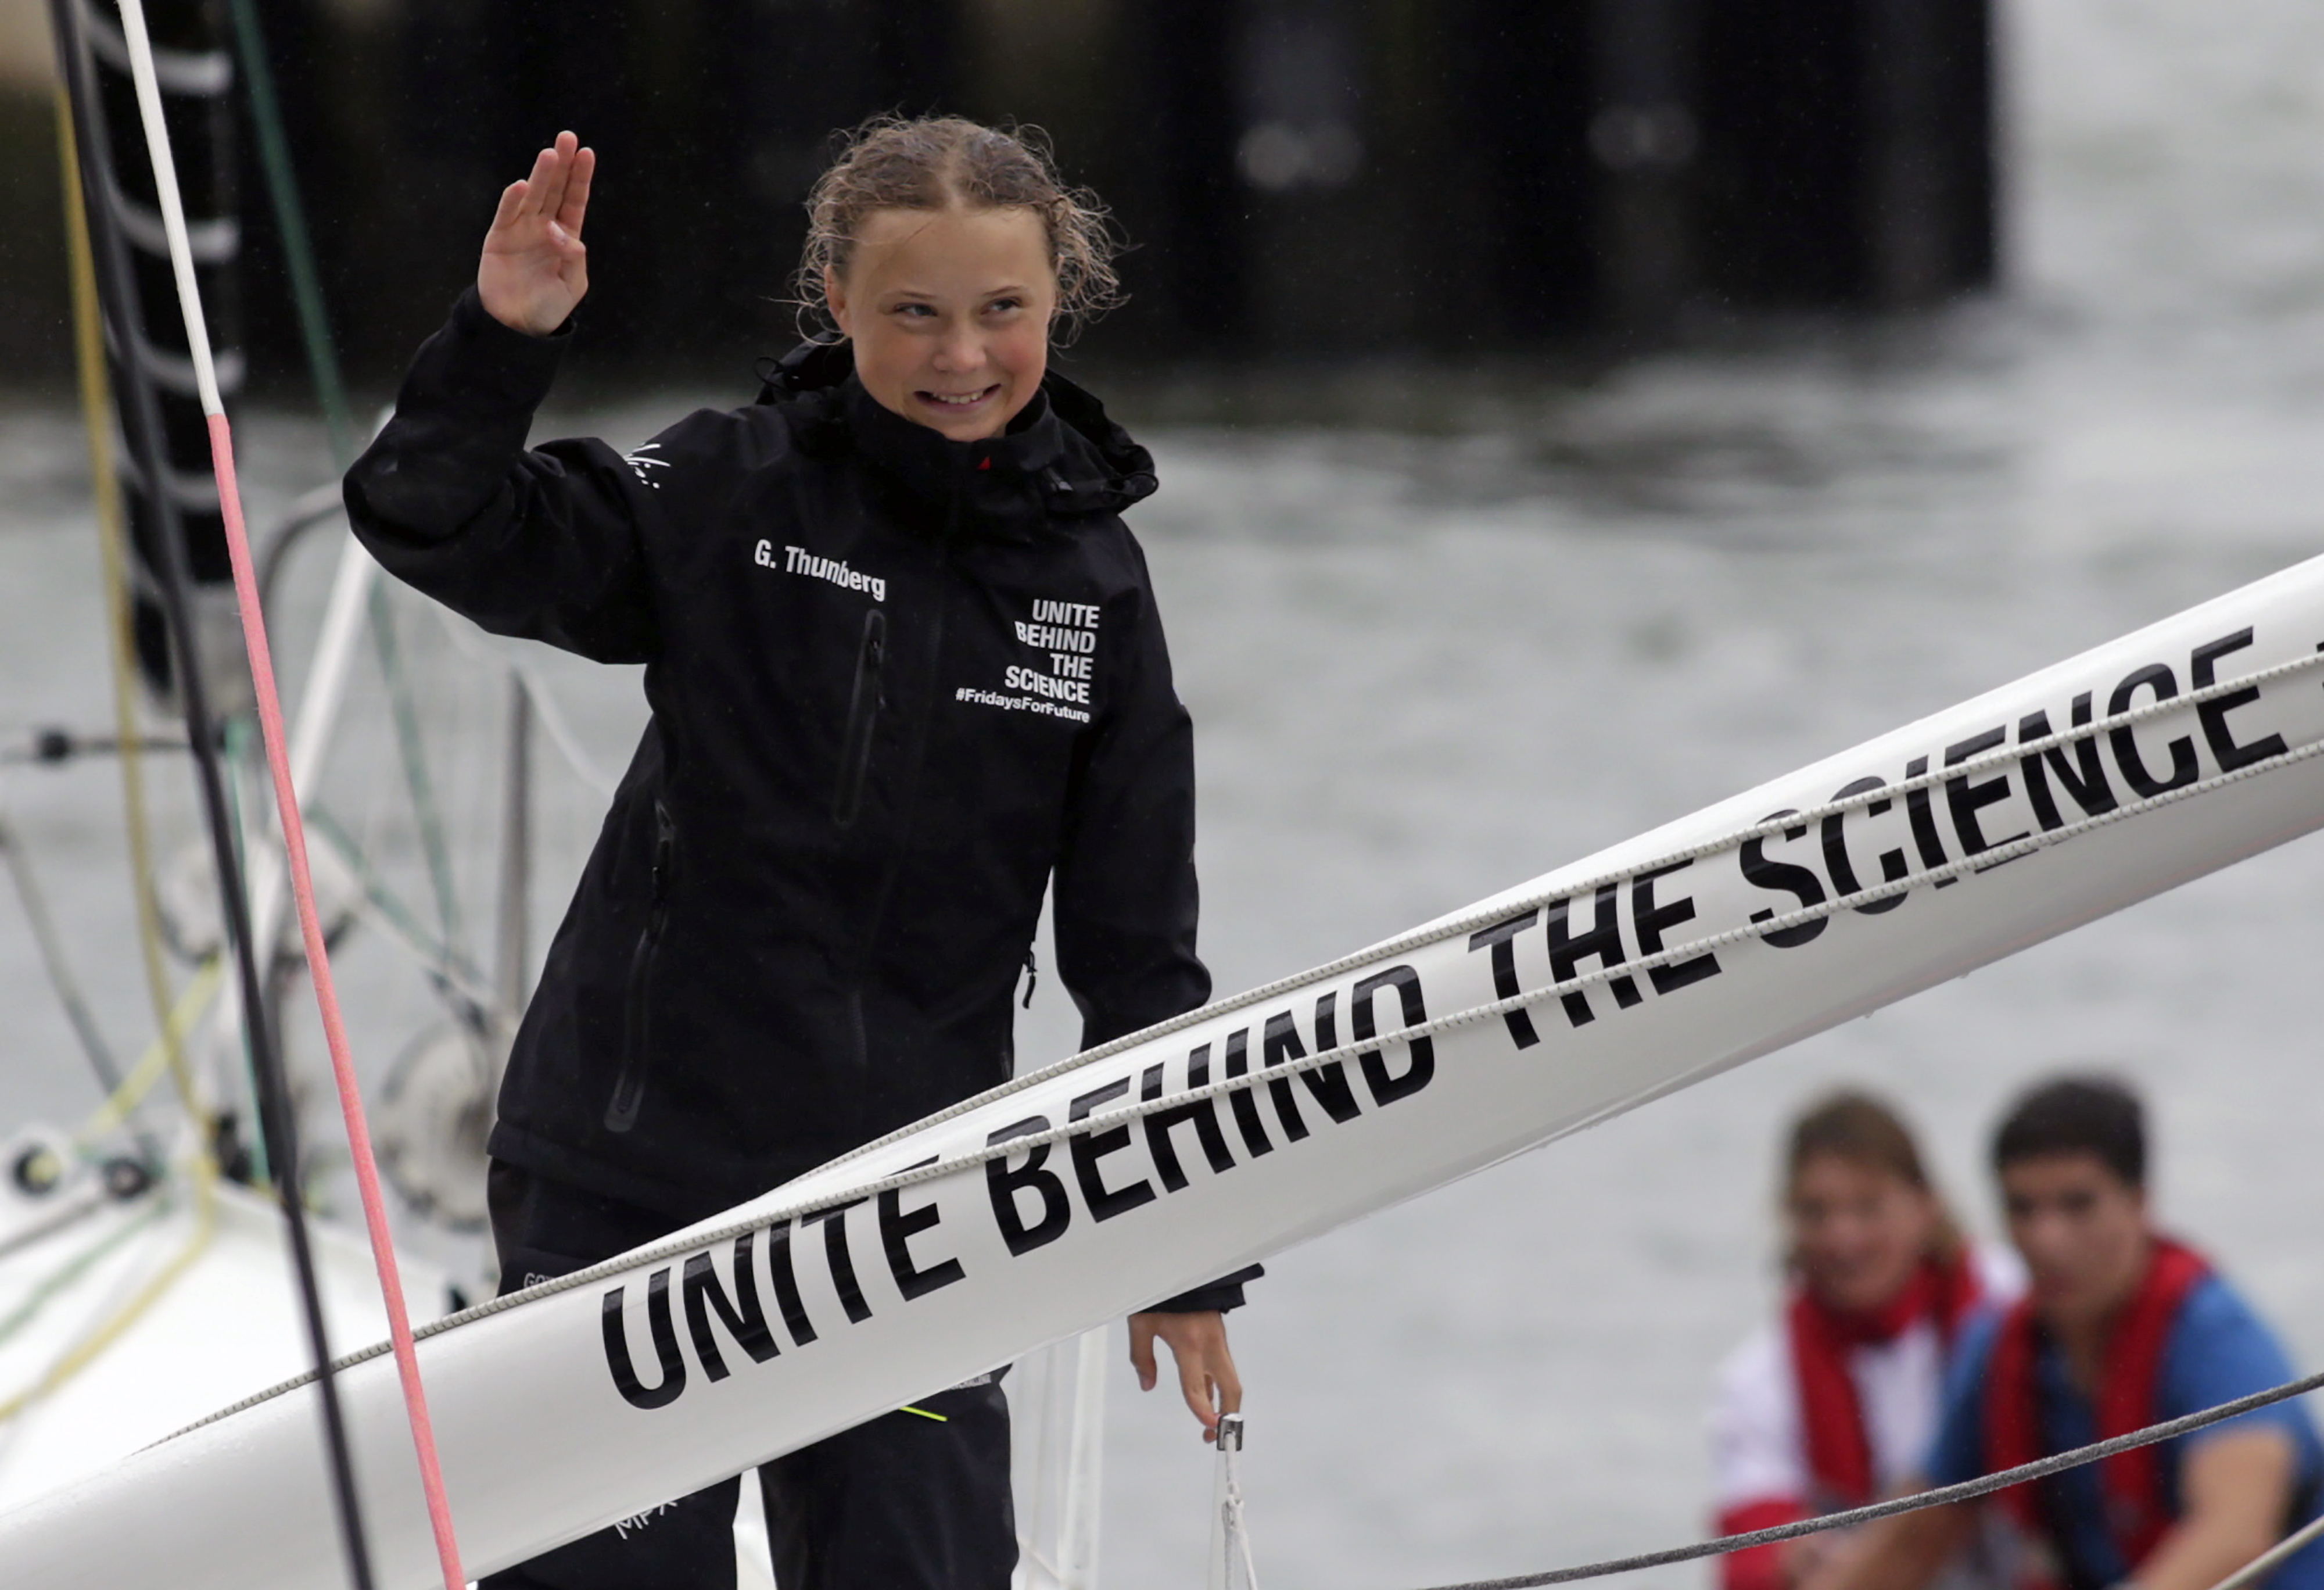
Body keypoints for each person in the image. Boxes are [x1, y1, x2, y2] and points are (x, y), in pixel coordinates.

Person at [345, 117, 1258, 1590]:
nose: (962, 353)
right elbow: (430, 515)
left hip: (908, 1209)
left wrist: (1184, 1255)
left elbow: (1137, 950)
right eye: (914, 311)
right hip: (630, 1183)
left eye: (1001, 310)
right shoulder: (730, 488)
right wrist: (503, 334)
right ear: (835, 301)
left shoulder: (1096, 582)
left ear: (1055, 306)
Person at [1803, 1077, 2324, 1590]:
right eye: (2022, 1209)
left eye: (2078, 1205)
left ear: (2140, 1202)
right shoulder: (1998, 1347)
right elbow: (1913, 1541)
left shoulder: (2216, 1337)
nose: (2046, 1239)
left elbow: (2235, 1536)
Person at [1712, 1091, 2022, 1590]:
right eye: (1816, 1213)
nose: (1842, 1238)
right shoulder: (1757, 1379)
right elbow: (1748, 1554)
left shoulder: (2010, 1301)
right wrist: (1789, 1561)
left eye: (1868, 1207)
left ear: (1926, 1206)